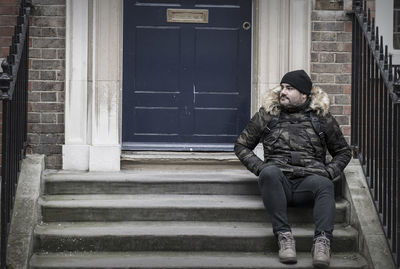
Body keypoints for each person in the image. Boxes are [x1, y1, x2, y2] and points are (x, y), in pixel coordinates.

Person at [234, 70, 352, 268]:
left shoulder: (321, 117)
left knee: (325, 184)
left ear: (304, 94)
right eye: (282, 87)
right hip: (278, 183)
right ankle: (284, 236)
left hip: (310, 182)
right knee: (270, 172)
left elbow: (343, 151)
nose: (283, 92)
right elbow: (241, 145)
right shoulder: (268, 114)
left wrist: (329, 171)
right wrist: (261, 168)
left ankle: (322, 242)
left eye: (290, 88)